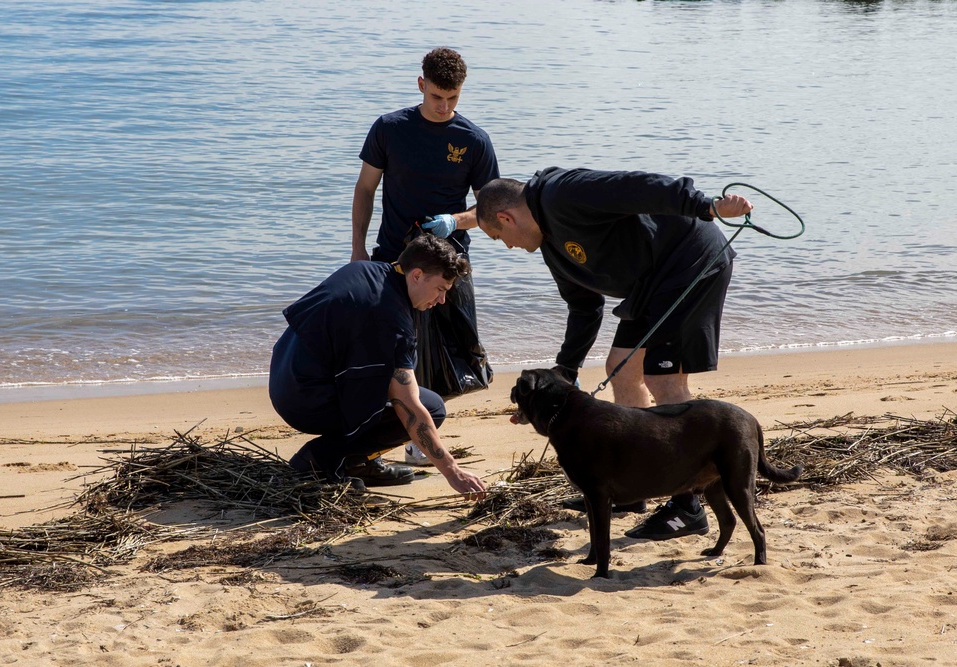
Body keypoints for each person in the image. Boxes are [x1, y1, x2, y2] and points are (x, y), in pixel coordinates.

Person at [475, 168, 753, 541]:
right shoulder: (552, 247)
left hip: (690, 262)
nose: (507, 245)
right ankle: (632, 489)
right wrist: (565, 371)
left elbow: (639, 187)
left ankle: (687, 505)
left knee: (662, 377)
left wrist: (706, 206)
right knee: (621, 372)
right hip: (650, 284)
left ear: (506, 217)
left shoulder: (563, 194)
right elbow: (584, 308)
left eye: (499, 237)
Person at [351, 46, 500, 470]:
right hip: (392, 258)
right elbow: (365, 189)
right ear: (421, 85)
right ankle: (393, 440)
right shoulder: (389, 128)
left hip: (449, 263)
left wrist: (455, 221)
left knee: (457, 350)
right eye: (437, 96)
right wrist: (358, 249)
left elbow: (490, 211)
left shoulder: (473, 140)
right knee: (393, 353)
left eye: (453, 98)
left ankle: (422, 433)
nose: (444, 106)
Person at [269, 234, 486, 498]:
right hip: (306, 400)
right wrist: (452, 471)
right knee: (431, 408)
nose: (441, 300)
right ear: (417, 275)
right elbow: (411, 409)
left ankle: (360, 462)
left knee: (394, 386)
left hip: (284, 375)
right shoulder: (391, 320)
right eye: (440, 289)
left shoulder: (366, 269)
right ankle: (322, 459)